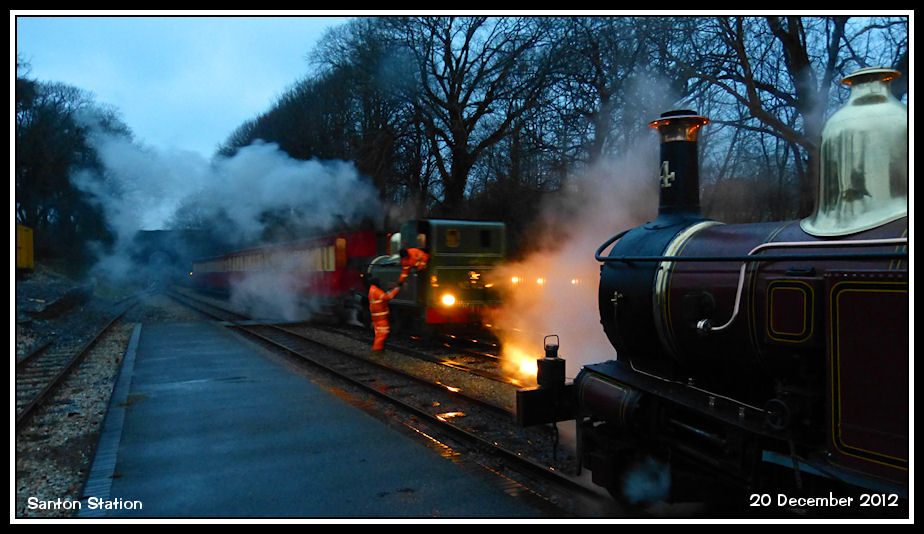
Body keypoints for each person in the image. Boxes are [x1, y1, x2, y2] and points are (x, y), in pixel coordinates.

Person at [368, 277, 400, 351]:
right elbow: (387, 297)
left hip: (377, 316)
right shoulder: (375, 291)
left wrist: (390, 290)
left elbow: (383, 296)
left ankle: (378, 349)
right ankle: (377, 350)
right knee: (383, 332)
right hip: (380, 316)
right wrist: (396, 289)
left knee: (379, 333)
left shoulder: (372, 290)